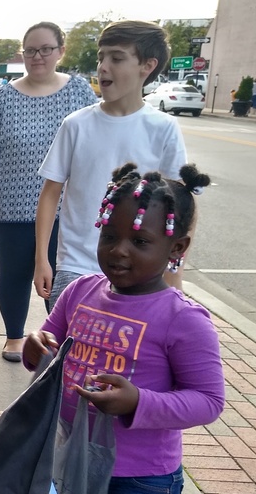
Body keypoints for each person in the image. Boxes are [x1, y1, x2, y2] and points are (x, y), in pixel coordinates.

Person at [23, 163, 225, 494]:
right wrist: (34, 347)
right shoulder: (80, 293)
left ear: (175, 250)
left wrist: (139, 403)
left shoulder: (183, 319)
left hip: (142, 484)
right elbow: (46, 345)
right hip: (72, 467)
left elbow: (208, 400)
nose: (119, 251)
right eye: (110, 236)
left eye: (140, 242)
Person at [0, 21, 97, 362]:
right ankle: (14, 336)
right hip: (8, 207)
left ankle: (59, 338)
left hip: (67, 207)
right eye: (31, 50)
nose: (37, 57)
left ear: (60, 51)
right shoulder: (4, 96)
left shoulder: (79, 92)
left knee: (62, 273)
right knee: (15, 272)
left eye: (45, 49)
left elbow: (96, 142)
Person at [34, 20, 187, 310]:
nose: (103, 66)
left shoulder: (163, 128)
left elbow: (179, 205)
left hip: (140, 271)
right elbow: (50, 192)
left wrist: (174, 270)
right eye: (101, 57)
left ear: (147, 66)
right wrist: (42, 258)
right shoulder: (75, 125)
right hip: (75, 266)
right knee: (68, 349)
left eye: (116, 58)